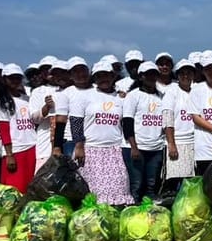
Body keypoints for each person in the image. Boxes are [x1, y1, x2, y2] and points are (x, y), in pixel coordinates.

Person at [63, 61, 130, 206]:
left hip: (114, 151)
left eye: (106, 75)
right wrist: (79, 146)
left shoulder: (121, 98)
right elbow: (76, 121)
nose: (103, 79)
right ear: (94, 78)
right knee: (95, 191)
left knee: (119, 187)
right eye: (99, 76)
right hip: (91, 150)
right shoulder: (85, 96)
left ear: (113, 76)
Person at [122, 61, 166, 199]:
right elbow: (127, 122)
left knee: (151, 185)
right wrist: (134, 147)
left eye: (154, 74)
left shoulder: (161, 96)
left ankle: (149, 210)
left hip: (156, 148)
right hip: (137, 147)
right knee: (136, 184)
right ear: (141, 77)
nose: (151, 77)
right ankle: (133, 208)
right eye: (148, 75)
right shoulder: (133, 95)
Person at [0, 64, 36, 193]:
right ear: (4, 79)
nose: (15, 80)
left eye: (18, 77)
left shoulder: (28, 99)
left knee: (30, 185)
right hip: (16, 149)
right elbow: (3, 129)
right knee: (15, 188)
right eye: (11, 78)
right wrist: (9, 154)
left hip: (32, 146)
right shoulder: (1, 101)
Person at [162, 59, 197, 191]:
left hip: (194, 143)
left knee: (191, 182)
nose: (186, 76)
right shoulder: (172, 92)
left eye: (189, 73)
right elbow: (167, 119)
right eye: (182, 73)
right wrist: (171, 144)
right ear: (177, 75)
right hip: (178, 143)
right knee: (173, 181)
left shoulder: (196, 92)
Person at [28, 59, 69, 171]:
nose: (47, 72)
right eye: (44, 69)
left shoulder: (69, 89)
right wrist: (46, 107)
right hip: (45, 141)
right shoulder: (38, 91)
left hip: (68, 140)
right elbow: (34, 119)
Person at [52, 57, 91, 158]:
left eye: (83, 70)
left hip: (94, 142)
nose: (80, 74)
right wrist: (57, 147)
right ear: (70, 75)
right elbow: (60, 122)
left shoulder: (97, 90)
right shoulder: (66, 93)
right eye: (76, 71)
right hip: (71, 142)